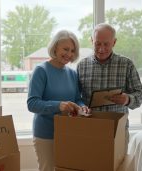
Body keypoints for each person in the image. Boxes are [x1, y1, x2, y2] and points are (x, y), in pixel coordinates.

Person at [77, 23, 142, 152]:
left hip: (118, 129)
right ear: (92, 41)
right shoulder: (82, 66)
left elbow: (140, 94)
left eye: (106, 44)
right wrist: (80, 107)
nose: (101, 49)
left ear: (114, 42)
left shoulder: (127, 64)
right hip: (89, 129)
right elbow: (76, 97)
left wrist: (127, 99)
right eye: (98, 43)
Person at [27, 30, 88, 171]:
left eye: (73, 51)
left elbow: (77, 99)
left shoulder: (72, 73)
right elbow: (32, 104)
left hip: (68, 133)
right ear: (55, 47)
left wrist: (82, 107)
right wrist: (59, 106)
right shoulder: (41, 71)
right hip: (46, 134)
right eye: (65, 49)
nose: (69, 54)